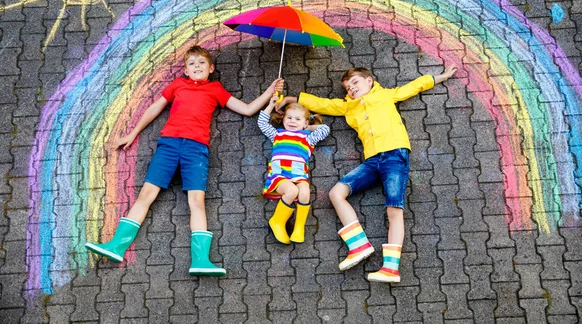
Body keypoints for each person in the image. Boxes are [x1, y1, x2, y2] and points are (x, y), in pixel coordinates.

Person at [85, 46, 284, 277]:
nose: (197, 66)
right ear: (186, 70)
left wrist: (270, 91)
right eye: (192, 64)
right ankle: (116, 246)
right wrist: (133, 132)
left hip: (196, 149)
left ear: (211, 68)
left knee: (197, 201)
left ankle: (201, 260)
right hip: (168, 145)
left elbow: (248, 110)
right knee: (146, 195)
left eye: (202, 63)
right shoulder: (177, 85)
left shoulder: (216, 89)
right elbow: (155, 108)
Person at [278, 65, 457, 282]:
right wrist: (292, 98)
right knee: (336, 193)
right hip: (372, 161)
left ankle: (391, 268)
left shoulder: (385, 95)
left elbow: (414, 86)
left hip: (394, 156)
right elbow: (323, 104)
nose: (351, 89)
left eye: (355, 83)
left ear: (369, 81)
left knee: (394, 210)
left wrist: (441, 77)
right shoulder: (348, 107)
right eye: (347, 88)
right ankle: (359, 246)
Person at [258, 94, 330, 244]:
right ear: (283, 120)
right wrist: (271, 104)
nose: (292, 121)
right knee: (291, 191)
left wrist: (308, 126)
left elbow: (324, 129)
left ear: (304, 123)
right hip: (279, 176)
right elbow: (262, 123)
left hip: (298, 176)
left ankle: (299, 227)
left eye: (298, 119)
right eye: (289, 118)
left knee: (304, 192)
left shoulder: (308, 138)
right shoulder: (277, 134)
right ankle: (277, 221)